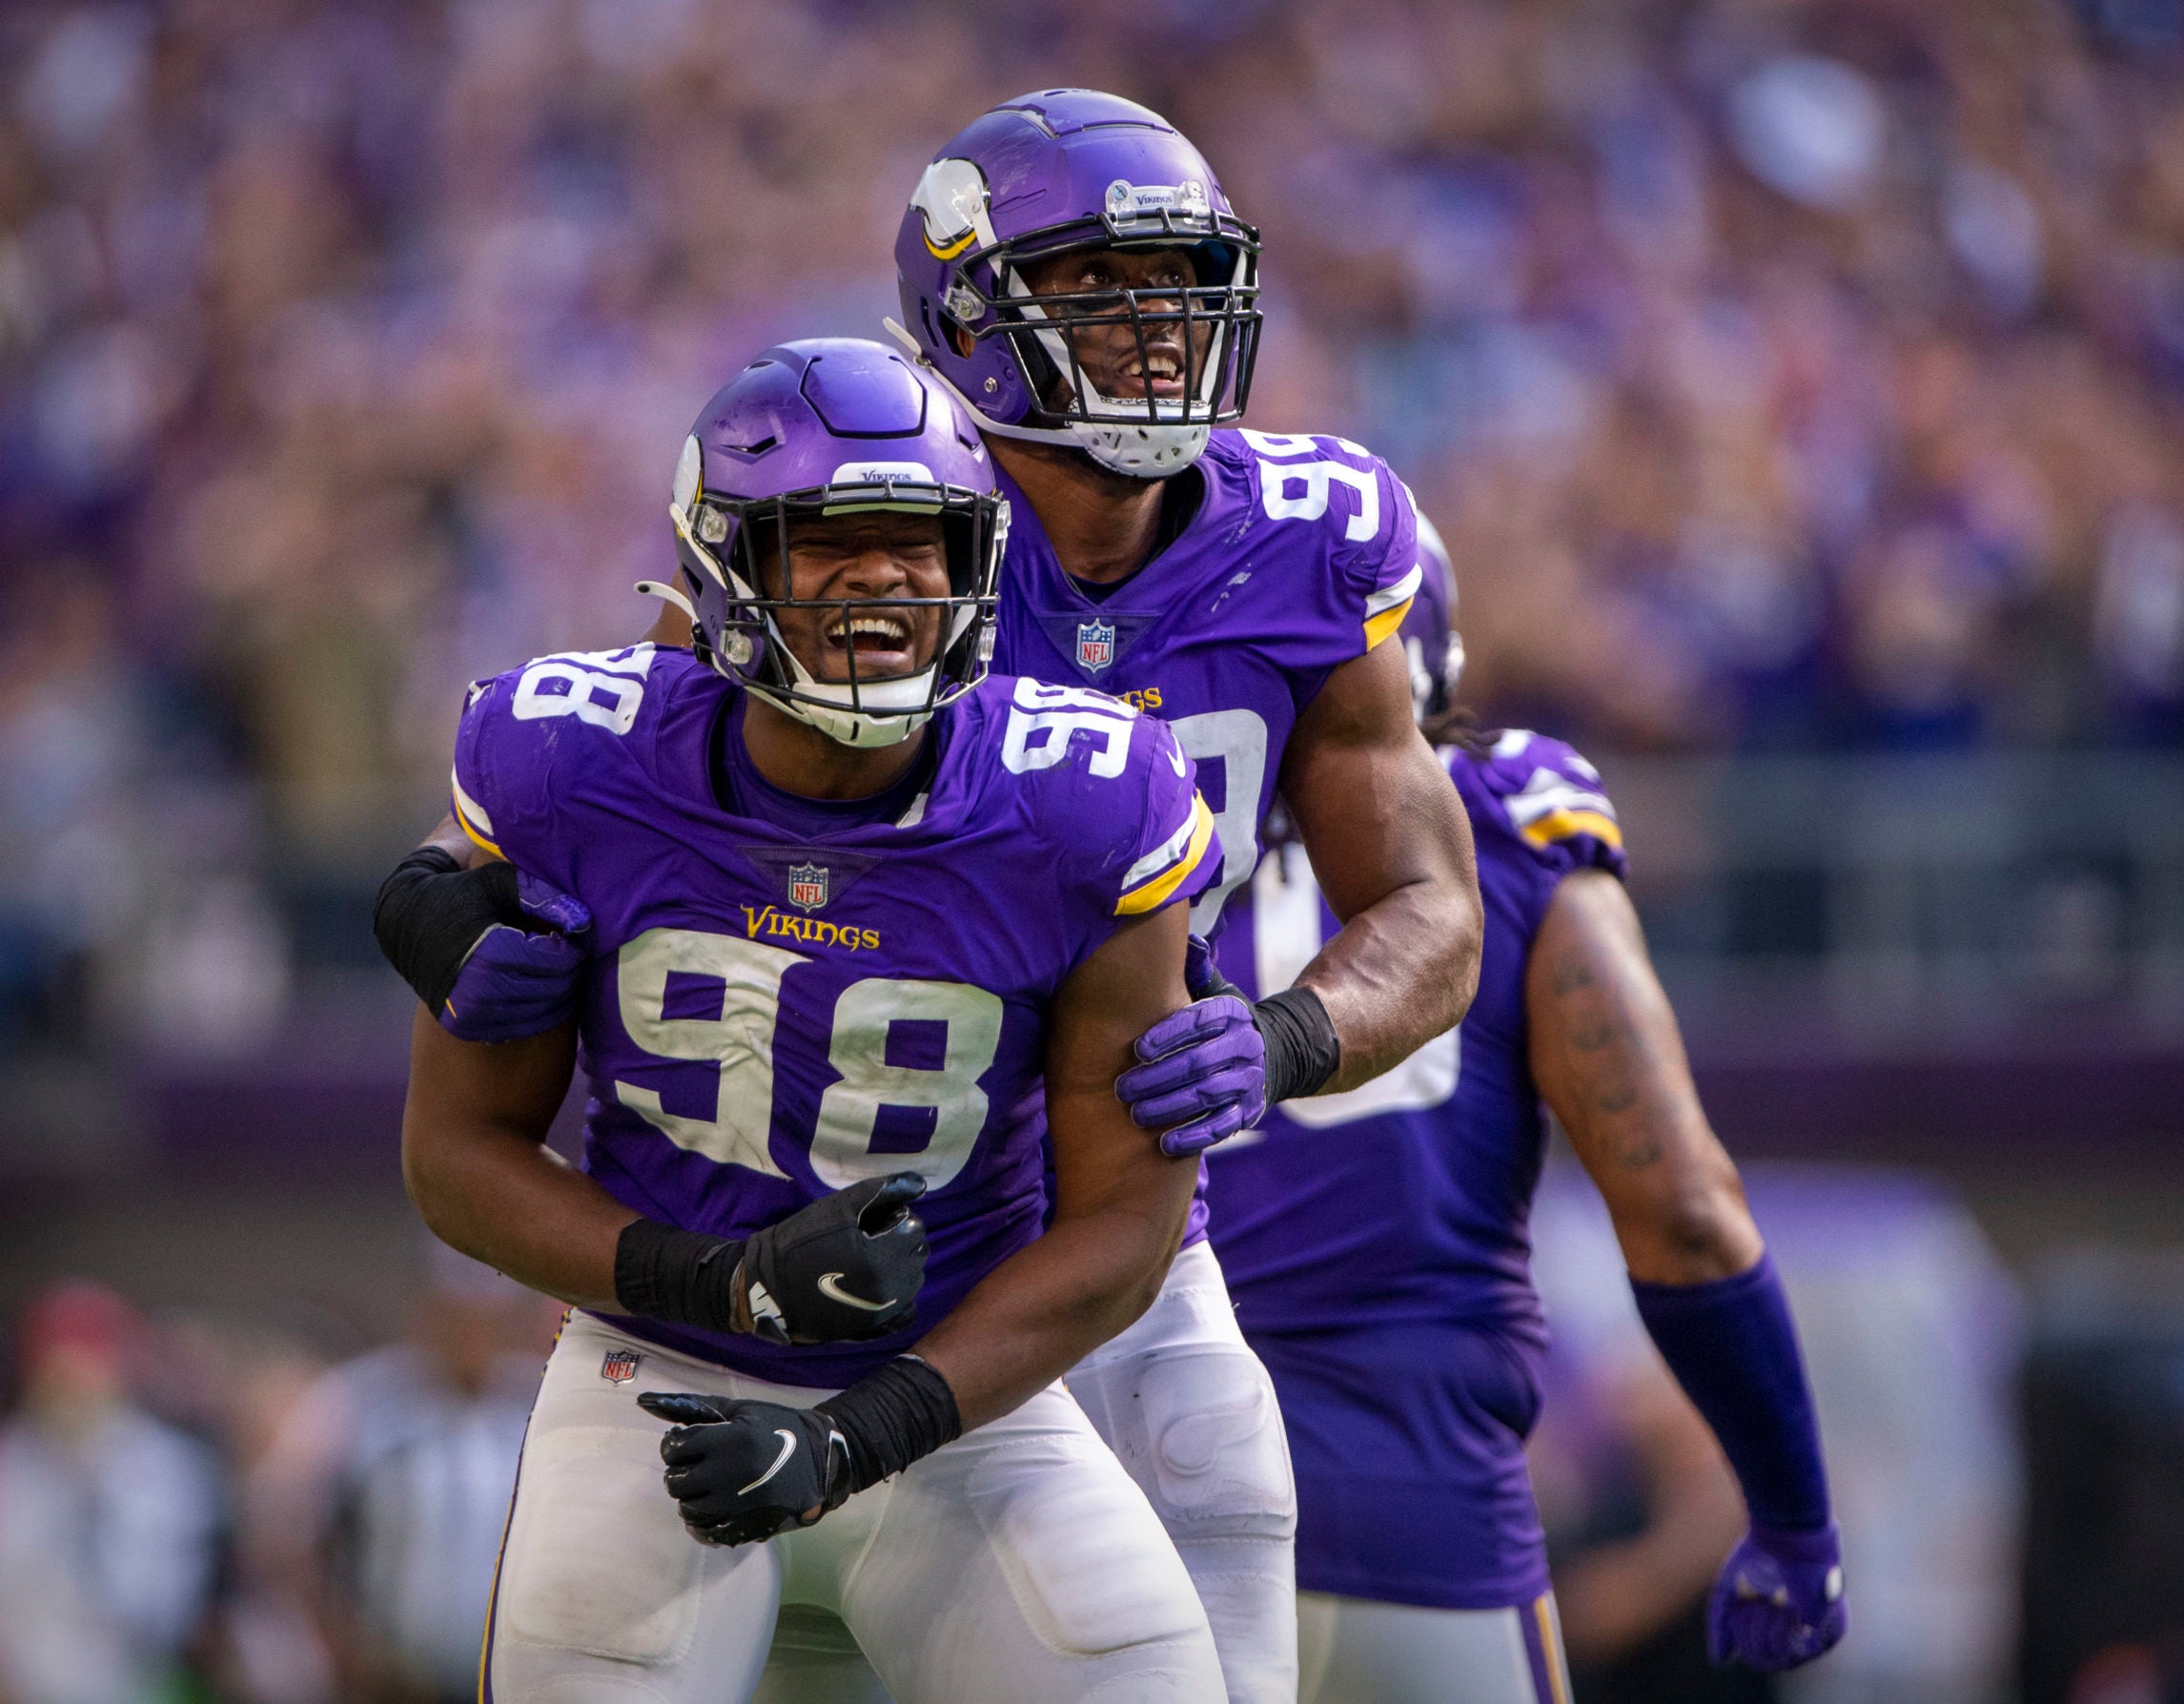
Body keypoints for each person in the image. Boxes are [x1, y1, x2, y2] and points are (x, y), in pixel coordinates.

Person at [378, 89, 1484, 1704]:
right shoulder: (848, 490)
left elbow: (1430, 904)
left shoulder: (1313, 536)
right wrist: (436, 916)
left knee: (1207, 1522)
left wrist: (1295, 1036)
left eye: (1180, 291)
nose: (1162, 337)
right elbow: (625, 804)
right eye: (1103, 293)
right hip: (761, 1202)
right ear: (972, 314)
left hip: (1085, 1175)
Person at [398, 338, 1235, 1702]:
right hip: (655, 1372)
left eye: (922, 541)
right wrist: (715, 1284)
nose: (886, 577)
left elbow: (1123, 1226)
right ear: (726, 561)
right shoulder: (571, 759)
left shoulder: (1086, 796)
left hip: (963, 1393)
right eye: (829, 540)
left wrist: (860, 1431)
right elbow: (456, 1158)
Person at [1199, 528, 1845, 1701]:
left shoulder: (1085, 826)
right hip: (1421, 1520)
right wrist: (1793, 1515)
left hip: (1146, 1509)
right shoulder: (1507, 822)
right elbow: (1684, 1207)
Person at [249, 1242, 549, 1704]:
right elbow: (286, 1534)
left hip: (508, 1681)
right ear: (424, 1311)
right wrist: (336, 1642)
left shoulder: (539, 1404)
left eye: (484, 1317)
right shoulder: (356, 1402)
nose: (470, 1334)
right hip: (383, 1679)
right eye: (455, 1315)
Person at [0, 1282, 223, 1704]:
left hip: (133, 1687)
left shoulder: (168, 1466)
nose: (73, 1385)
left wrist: (89, 1488)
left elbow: (163, 1609)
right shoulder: (13, 1459)